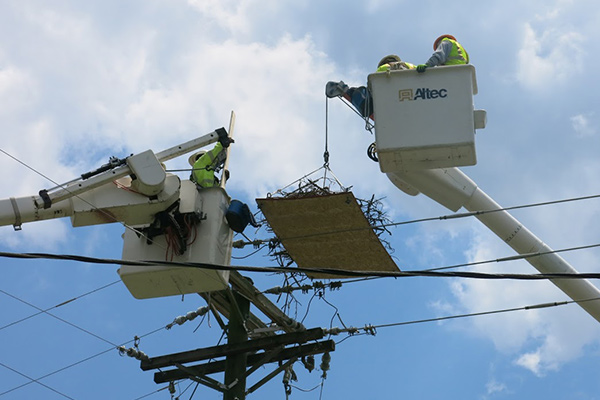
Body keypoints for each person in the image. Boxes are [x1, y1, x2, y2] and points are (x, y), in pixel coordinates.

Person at [326, 55, 415, 119]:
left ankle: (346, 91)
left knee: (361, 94)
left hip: (390, 105)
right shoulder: (409, 66)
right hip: (414, 97)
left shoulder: (383, 68)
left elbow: (374, 86)